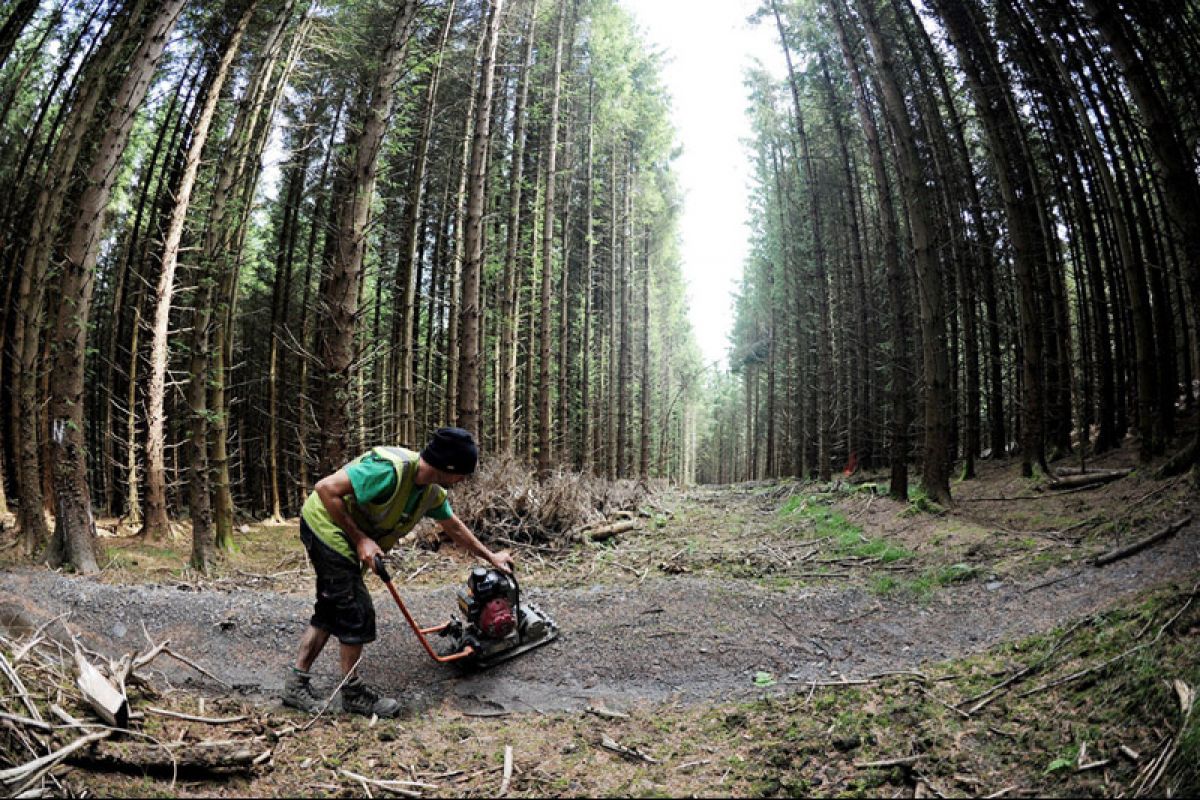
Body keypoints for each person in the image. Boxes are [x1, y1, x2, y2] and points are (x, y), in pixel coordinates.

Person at [282, 427, 514, 717]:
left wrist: (490, 556)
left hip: (342, 534)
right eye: (463, 473)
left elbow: (453, 526)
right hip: (325, 525)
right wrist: (361, 539)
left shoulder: (429, 492)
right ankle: (352, 693)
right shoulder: (390, 471)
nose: (463, 480)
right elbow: (325, 488)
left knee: (333, 607)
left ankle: (296, 684)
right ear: (448, 467)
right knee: (356, 610)